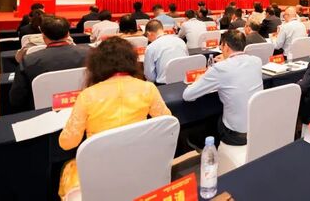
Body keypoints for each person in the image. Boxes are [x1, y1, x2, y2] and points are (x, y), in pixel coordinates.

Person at [58, 37, 171, 198]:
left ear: (97, 64)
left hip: (99, 168)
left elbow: (67, 143)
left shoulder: (88, 95)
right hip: (139, 161)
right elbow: (167, 122)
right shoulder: (148, 88)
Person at [183, 30, 263, 147]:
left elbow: (187, 95)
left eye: (221, 45)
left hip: (235, 135)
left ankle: (207, 147)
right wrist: (226, 60)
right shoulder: (256, 61)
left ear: (225, 46)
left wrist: (198, 79)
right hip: (256, 126)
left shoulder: (220, 68)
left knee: (211, 116)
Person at [10, 16, 90, 111]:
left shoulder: (29, 60)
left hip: (42, 111)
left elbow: (16, 99)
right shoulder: (90, 53)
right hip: (86, 106)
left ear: (43, 36)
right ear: (68, 34)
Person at [144, 20, 188, 84]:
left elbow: (150, 77)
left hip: (164, 85)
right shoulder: (180, 41)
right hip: (184, 81)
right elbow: (187, 60)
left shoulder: (151, 47)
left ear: (148, 34)